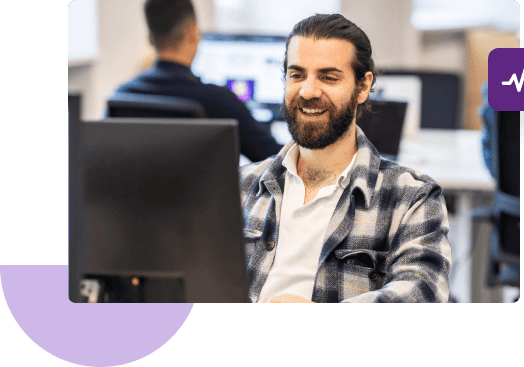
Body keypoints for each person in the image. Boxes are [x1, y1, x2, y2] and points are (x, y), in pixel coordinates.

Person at [240, 14, 452, 303]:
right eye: (297, 75)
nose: (308, 91)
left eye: (328, 77)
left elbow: (421, 294)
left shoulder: (411, 196)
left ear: (363, 87)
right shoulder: (238, 186)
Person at [112, 0, 282, 162]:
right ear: (193, 32)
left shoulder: (121, 98)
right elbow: (278, 160)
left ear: (149, 38)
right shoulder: (218, 101)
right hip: (208, 193)